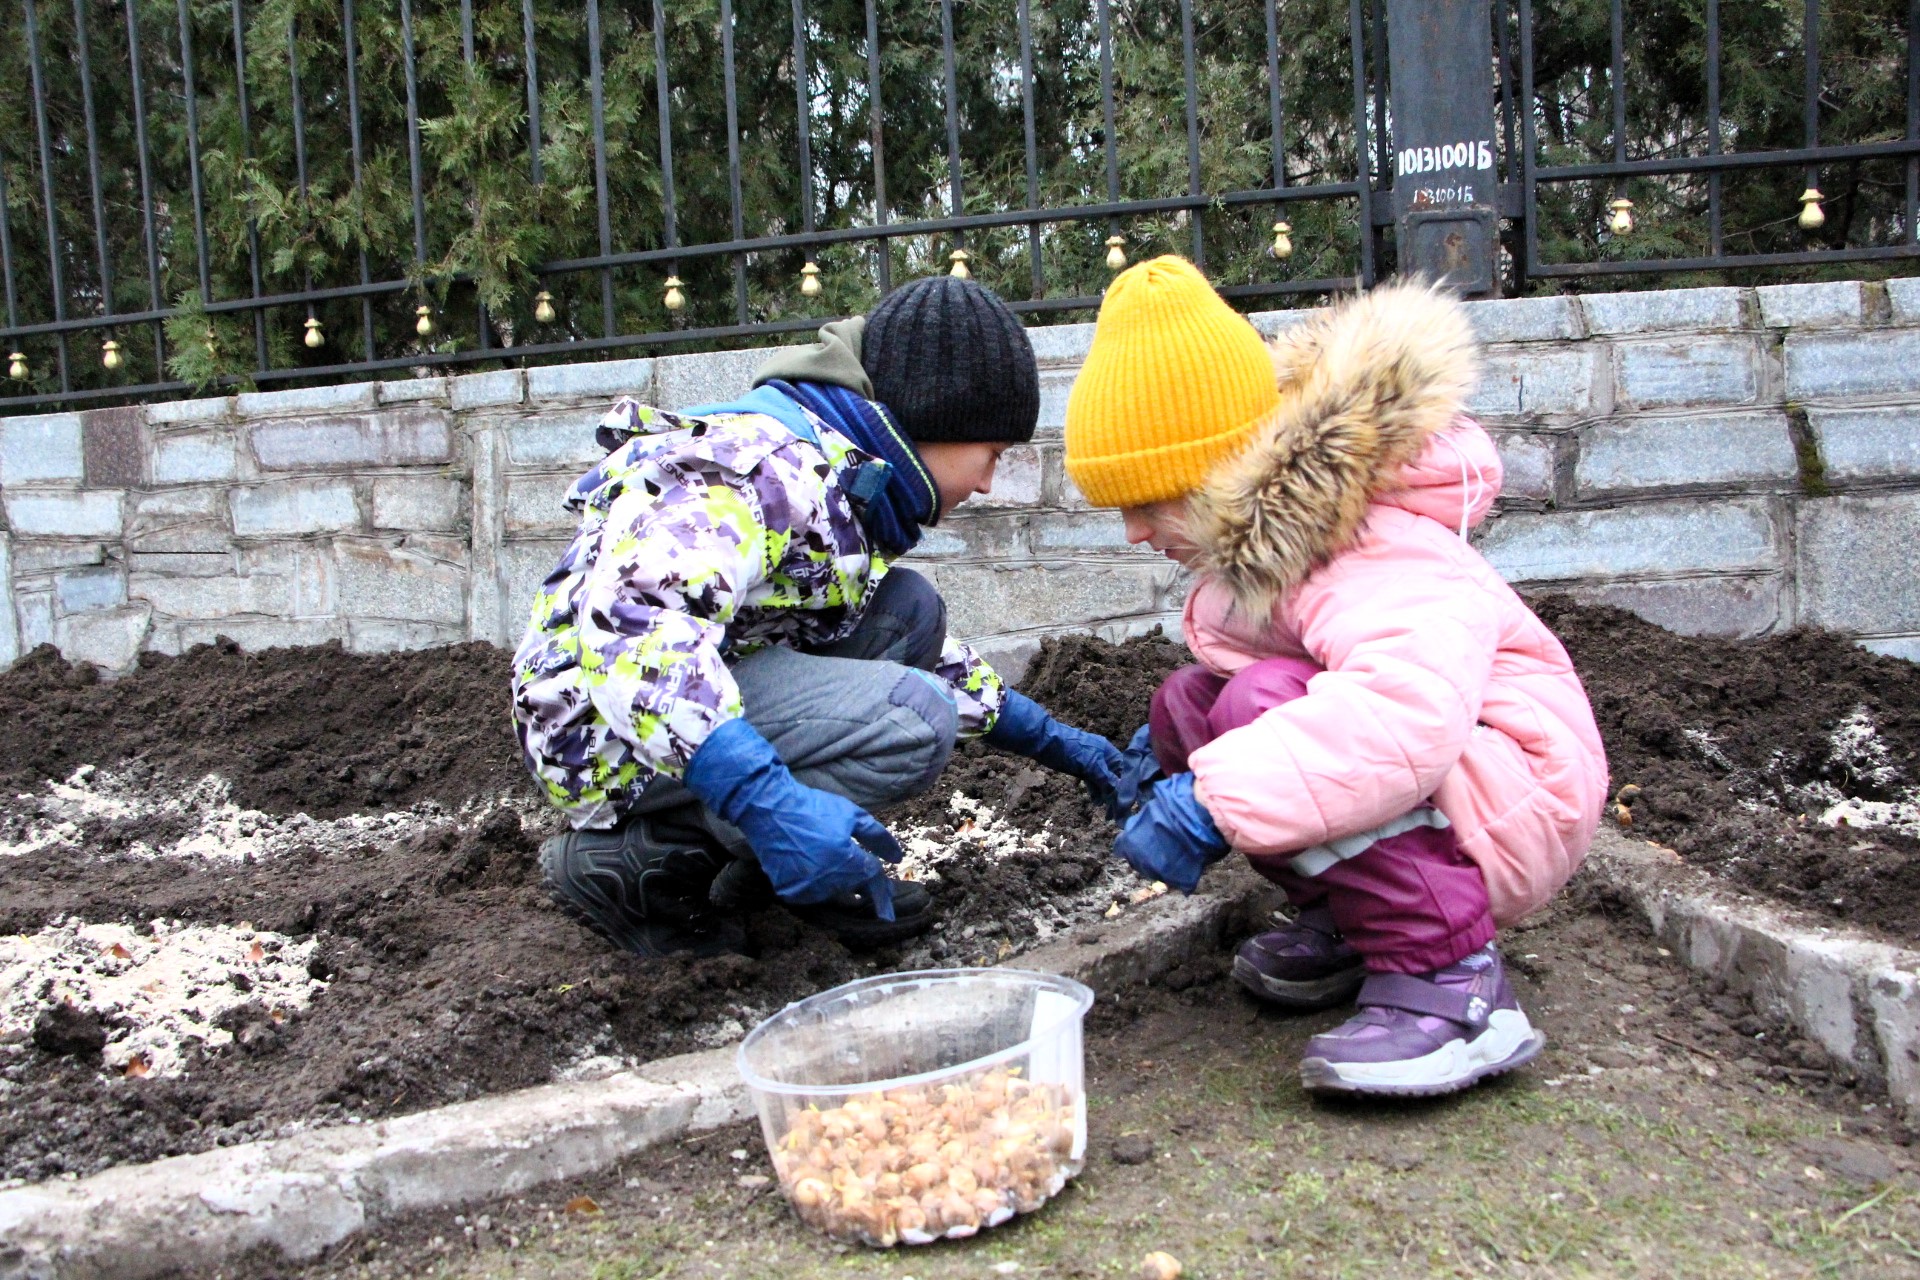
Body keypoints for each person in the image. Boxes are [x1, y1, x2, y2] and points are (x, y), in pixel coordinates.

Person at [1065, 258, 1608, 1097]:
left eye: (1151, 500)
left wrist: (1209, 800)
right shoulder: (1283, 542)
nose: (1136, 533)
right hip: (1456, 786)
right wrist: (1173, 757)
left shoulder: (1369, 542)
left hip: (1521, 792)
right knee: (1192, 706)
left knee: (1252, 714)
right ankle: (1361, 926)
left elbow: (1402, 716)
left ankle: (1452, 980)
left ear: (1223, 467)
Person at [513, 276, 1122, 957]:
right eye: (993, 454)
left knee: (907, 611)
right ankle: (649, 861)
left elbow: (882, 634)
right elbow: (636, 621)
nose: (986, 482)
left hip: (678, 693)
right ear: (938, 418)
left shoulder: (840, 474)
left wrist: (1053, 741)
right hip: (599, 733)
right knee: (914, 722)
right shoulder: (764, 470)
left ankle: (760, 854)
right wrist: (764, 800)